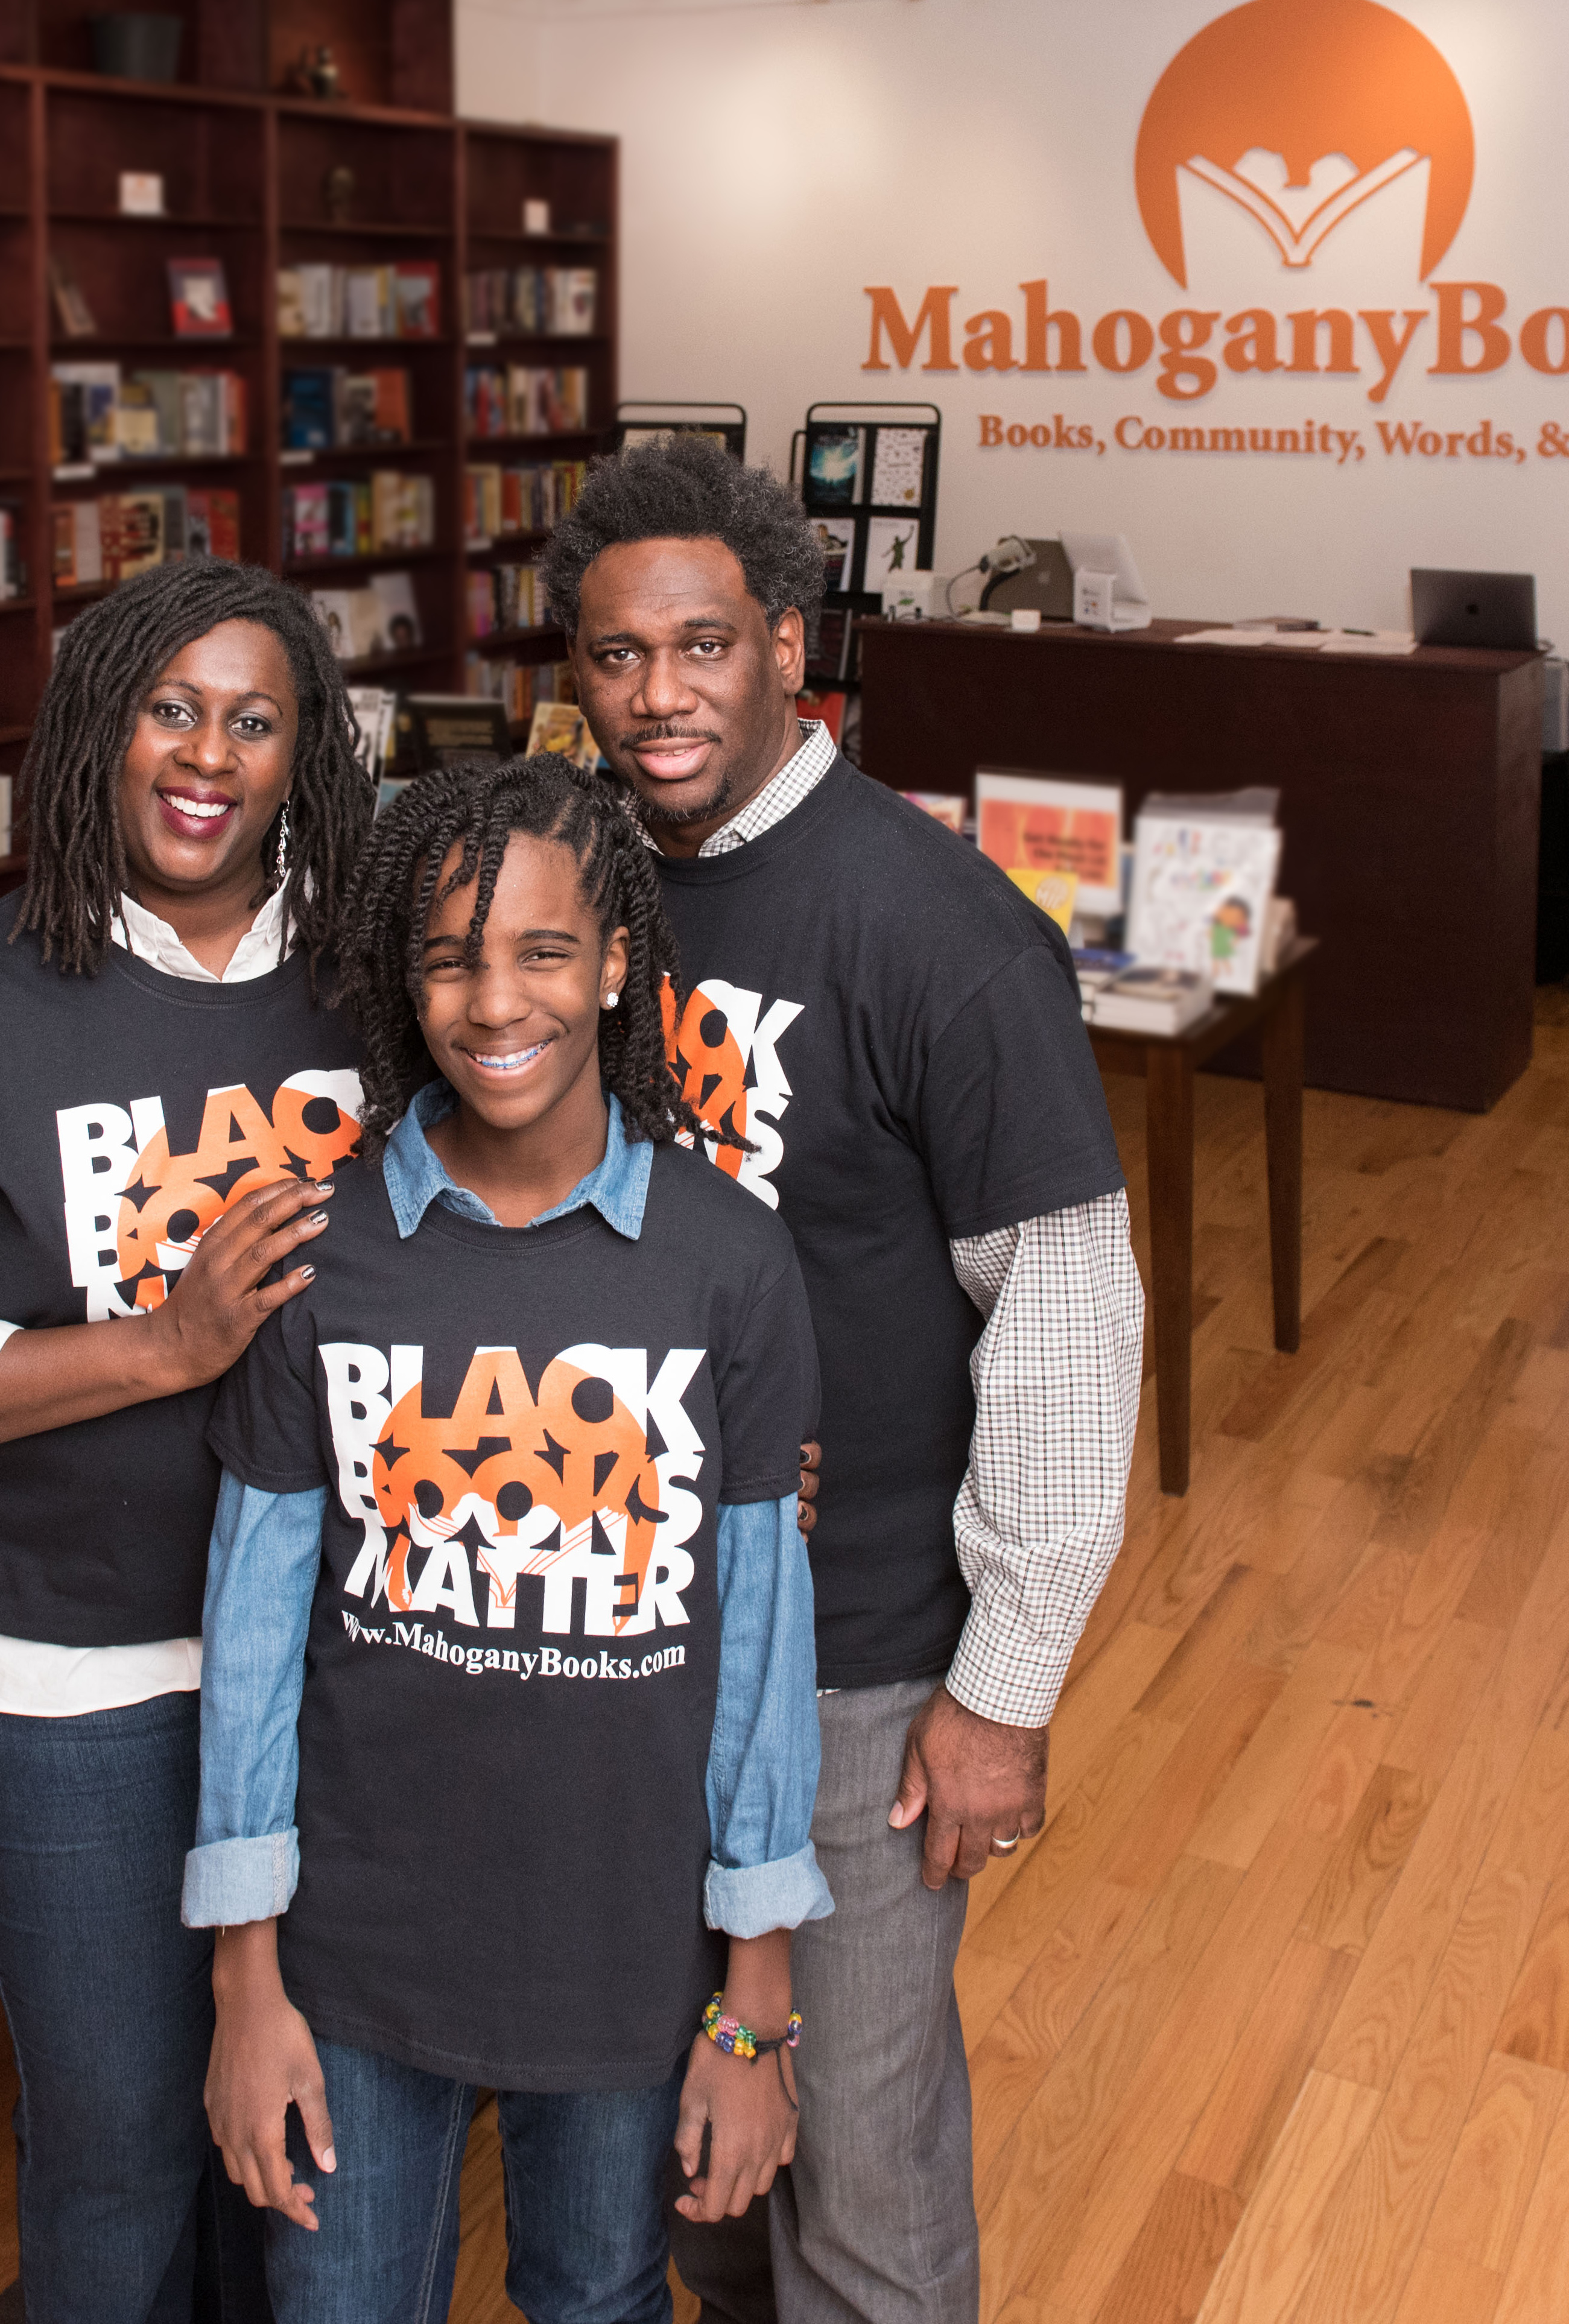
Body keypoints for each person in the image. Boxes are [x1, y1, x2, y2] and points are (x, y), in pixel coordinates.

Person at [544, 434, 1147, 2323]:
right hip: (626, 1620)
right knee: (690, 2138)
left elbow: (1062, 1314)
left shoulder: (940, 929)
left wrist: (1004, 1684)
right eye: (618, 657)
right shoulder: (585, 889)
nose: (658, 696)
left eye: (702, 647)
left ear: (790, 649)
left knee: (864, 2169)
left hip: (860, 1665)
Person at [0, 557, 378, 2322]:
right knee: (117, 2133)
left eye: (253, 720)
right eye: (168, 707)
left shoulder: (369, 972)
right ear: (99, 733)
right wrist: (161, 1346)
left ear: (304, 754)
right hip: (57, 1670)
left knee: (287, 2120)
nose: (207, 754)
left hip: (335, 1650)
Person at [185, 759, 830, 2323]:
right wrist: (242, 1978)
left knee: (598, 2298)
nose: (492, 1000)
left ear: (615, 964)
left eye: (541, 951)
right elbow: (256, 1633)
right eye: (449, 956)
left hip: (622, 1964)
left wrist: (752, 2015)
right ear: (402, 980)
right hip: (348, 1964)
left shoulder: (726, 1265)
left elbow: (758, 1651)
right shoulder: (315, 1254)